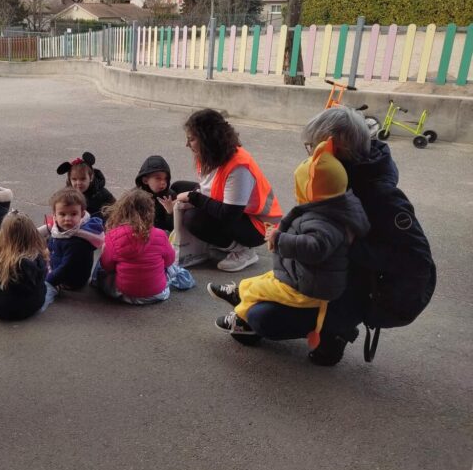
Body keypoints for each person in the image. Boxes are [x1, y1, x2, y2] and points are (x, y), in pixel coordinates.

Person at [244, 106, 435, 366]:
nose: (310, 154)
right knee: (257, 302)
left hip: (348, 289)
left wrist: (350, 246)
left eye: (311, 146)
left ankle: (338, 330)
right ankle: (325, 324)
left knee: (262, 319)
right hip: (319, 276)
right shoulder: (333, 177)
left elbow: (416, 261)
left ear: (333, 146)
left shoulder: (382, 197)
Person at [211, 138, 370, 350]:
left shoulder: (326, 221)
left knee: (263, 287)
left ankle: (240, 316)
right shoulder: (335, 208)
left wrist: (281, 239)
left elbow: (316, 247)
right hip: (306, 275)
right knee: (265, 279)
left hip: (309, 288)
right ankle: (239, 291)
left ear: (311, 191)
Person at [172, 109, 282, 272]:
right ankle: (215, 239)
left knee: (193, 218)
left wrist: (193, 198)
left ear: (207, 140)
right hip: (237, 211)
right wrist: (189, 196)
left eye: (192, 139)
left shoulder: (239, 167)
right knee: (176, 188)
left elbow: (229, 214)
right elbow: (207, 187)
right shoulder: (207, 154)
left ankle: (242, 251)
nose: (187, 144)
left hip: (258, 225)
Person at [0, 211, 58, 320]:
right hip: (33, 307)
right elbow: (42, 278)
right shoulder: (38, 256)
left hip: (4, 311)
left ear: (3, 236)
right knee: (46, 286)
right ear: (32, 234)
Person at [95, 189, 175, 305]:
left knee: (100, 269)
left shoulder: (113, 235)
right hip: (157, 293)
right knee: (168, 267)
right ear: (150, 212)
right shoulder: (160, 234)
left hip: (125, 293)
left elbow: (107, 265)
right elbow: (169, 261)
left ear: (120, 211)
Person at [42, 187, 105, 291]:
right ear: (55, 215)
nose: (67, 218)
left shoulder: (77, 242)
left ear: (82, 214)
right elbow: (54, 241)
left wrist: (48, 281)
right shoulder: (60, 228)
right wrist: (47, 251)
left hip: (71, 280)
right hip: (58, 266)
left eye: (73, 214)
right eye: (62, 214)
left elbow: (66, 268)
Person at [57, 151, 115, 219]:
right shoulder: (66, 195)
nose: (78, 183)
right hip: (71, 225)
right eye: (74, 179)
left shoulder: (102, 194)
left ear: (91, 177)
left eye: (83, 179)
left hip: (97, 226)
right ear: (70, 179)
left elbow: (115, 210)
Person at [135, 155, 176, 232]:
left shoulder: (169, 196)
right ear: (145, 180)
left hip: (163, 235)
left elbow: (173, 227)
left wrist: (170, 211)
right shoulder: (135, 197)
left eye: (166, 178)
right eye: (158, 178)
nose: (163, 182)